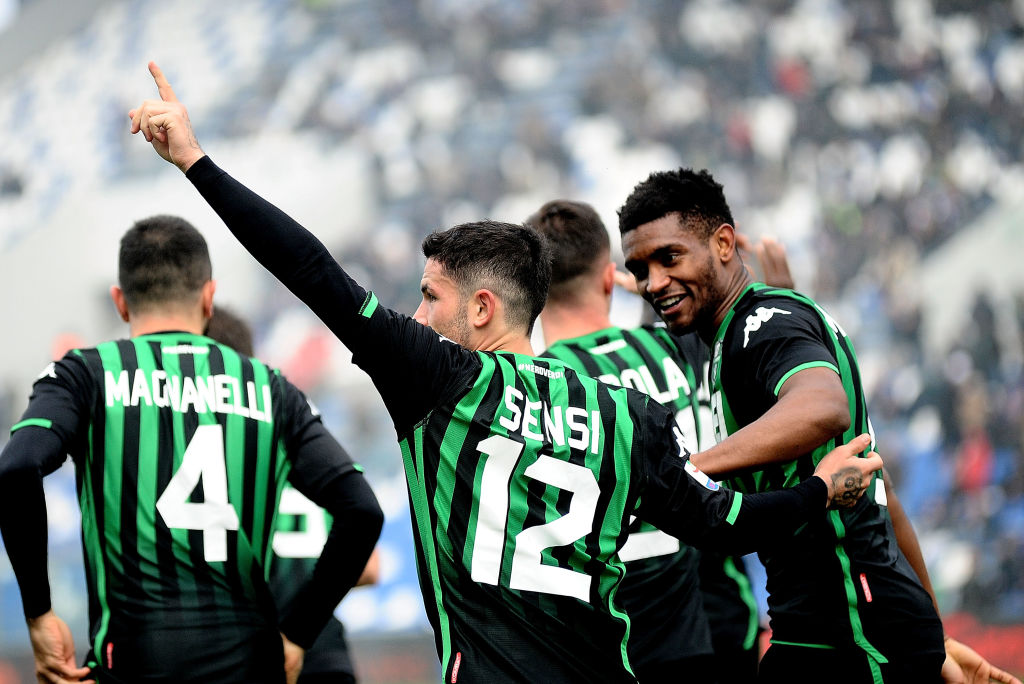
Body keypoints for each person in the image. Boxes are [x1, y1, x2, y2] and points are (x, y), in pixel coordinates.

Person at [129, 62, 883, 683]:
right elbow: (725, 527)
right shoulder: (626, 412)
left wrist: (196, 162)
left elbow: (310, 270)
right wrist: (821, 490)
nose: (417, 317)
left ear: (483, 308)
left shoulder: (435, 379)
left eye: (431, 298)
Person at [618, 167, 1021, 684]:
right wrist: (936, 640)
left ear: (722, 243)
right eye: (639, 268)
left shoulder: (759, 327)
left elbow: (821, 406)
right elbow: (884, 493)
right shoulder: (745, 333)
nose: (653, 282)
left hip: (844, 636)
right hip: (850, 626)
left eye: (668, 257)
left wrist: (687, 468)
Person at [0, 216, 383, 684]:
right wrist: (299, 633)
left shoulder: (85, 374)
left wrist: (39, 613)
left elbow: (17, 467)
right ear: (208, 297)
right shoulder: (271, 388)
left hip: (135, 660)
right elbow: (362, 510)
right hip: (250, 664)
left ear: (121, 303)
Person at [528, 199, 777, 682]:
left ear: (534, 294)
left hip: (622, 644)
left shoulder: (540, 390)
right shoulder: (680, 344)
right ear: (609, 277)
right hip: (725, 625)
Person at [206, 306, 381, 684]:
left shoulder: (217, 451)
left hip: (252, 652)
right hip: (326, 650)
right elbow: (370, 567)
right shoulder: (313, 445)